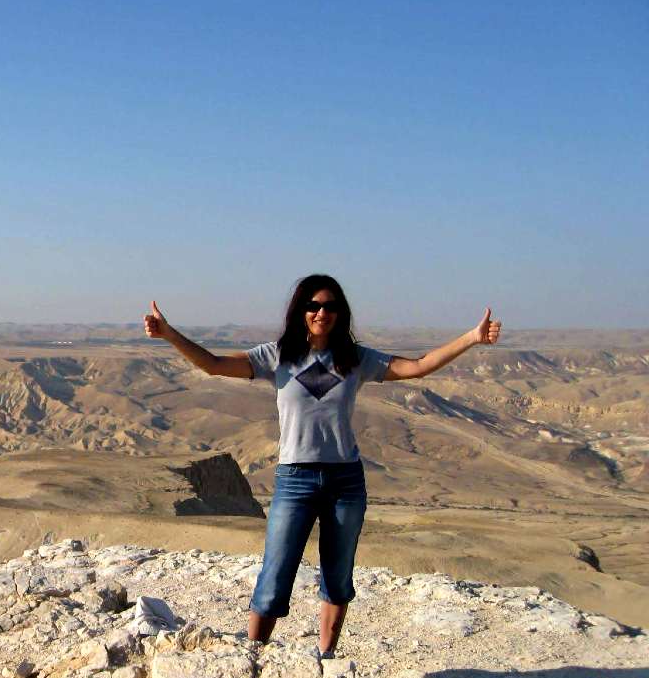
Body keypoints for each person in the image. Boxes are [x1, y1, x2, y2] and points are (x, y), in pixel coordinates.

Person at [143, 274, 501, 657]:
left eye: (330, 306)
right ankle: (253, 655)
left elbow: (418, 366)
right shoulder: (277, 356)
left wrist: (471, 338)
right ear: (301, 311)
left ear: (340, 313)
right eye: (313, 305)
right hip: (294, 479)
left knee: (337, 573)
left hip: (344, 481)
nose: (321, 313)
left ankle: (327, 656)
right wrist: (169, 334)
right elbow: (213, 364)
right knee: (275, 573)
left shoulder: (356, 359)